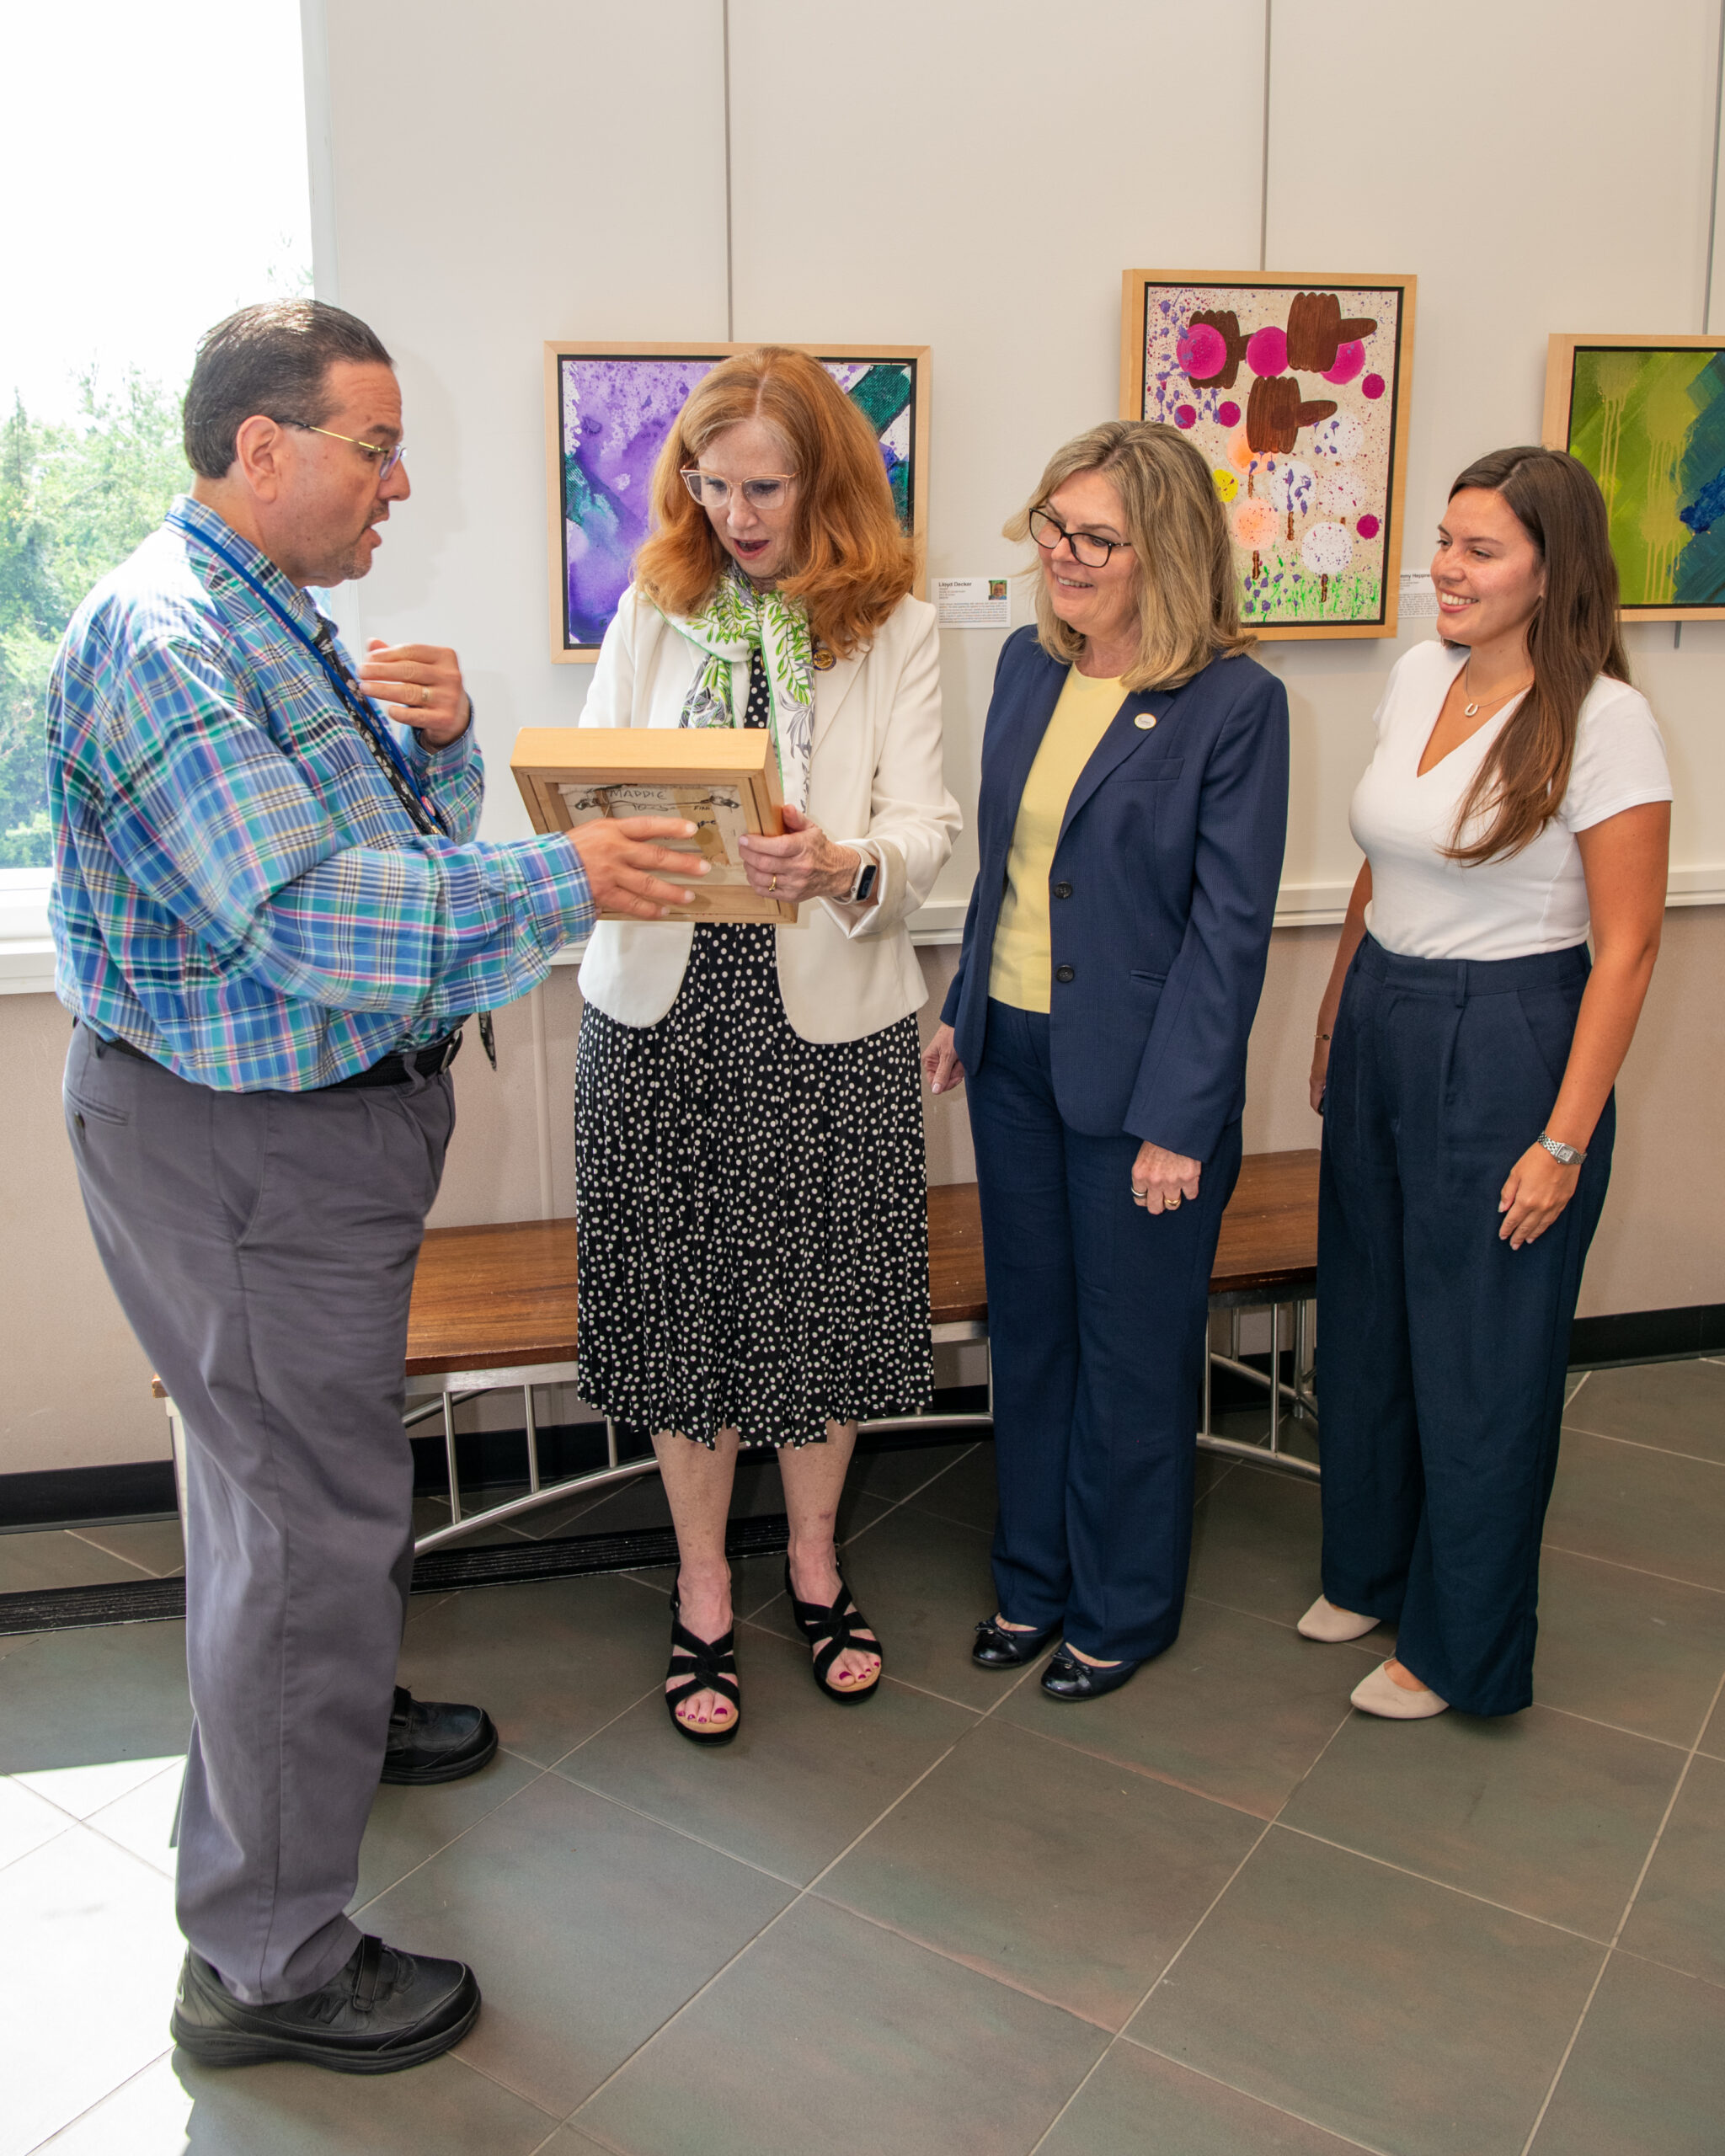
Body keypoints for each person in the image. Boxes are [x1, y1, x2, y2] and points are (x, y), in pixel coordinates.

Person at [49, 300, 699, 2071]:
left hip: (297, 1147)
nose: (399, 483)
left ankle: (314, 1729)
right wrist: (569, 878)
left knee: (296, 1505)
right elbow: (311, 918)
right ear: (262, 449)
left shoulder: (272, 616)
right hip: (246, 1152)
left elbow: (384, 850)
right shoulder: (167, 639)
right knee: (303, 1532)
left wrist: (448, 746)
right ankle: (264, 1957)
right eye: (377, 446)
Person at [574, 345, 959, 1744]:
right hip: (661, 1007)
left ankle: (811, 1561)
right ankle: (700, 1586)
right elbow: (596, 778)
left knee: (823, 1306)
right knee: (683, 1308)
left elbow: (928, 824)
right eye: (713, 483)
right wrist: (613, 823)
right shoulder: (654, 605)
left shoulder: (896, 624)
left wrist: (846, 862)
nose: (733, 514)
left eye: (765, 488)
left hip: (828, 1011)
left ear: (827, 483)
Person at [1300, 446, 1671, 1721]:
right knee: (1367, 1320)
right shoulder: (1421, 674)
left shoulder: (1606, 721)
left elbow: (1629, 946)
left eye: (1481, 550)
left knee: (1481, 1358)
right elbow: (1385, 856)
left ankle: (1460, 1651)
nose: (1446, 571)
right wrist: (1337, 1008)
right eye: (1444, 543)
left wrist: (1562, 1142)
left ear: (1553, 572)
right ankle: (1370, 1570)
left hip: (1512, 1039)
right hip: (1388, 1016)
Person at [924, 420, 1289, 1700]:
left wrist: (1183, 1120)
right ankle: (1032, 1581)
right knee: (1031, 1335)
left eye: (1097, 539)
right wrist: (964, 1008)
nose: (1064, 556)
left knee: (1132, 1354)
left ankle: (1122, 1609)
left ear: (1166, 554)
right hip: (1013, 1056)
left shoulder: (1235, 703)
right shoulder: (1030, 666)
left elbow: (1229, 931)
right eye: (1053, 527)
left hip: (1143, 1086)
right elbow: (1009, 867)